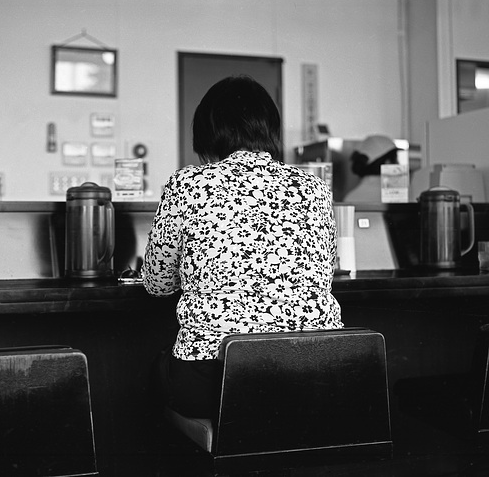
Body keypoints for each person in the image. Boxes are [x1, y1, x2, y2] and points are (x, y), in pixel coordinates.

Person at [143, 75, 343, 419]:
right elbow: (327, 269)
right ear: (270, 131)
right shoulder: (314, 188)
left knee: (155, 370)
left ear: (206, 132)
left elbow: (158, 284)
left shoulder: (189, 184)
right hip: (314, 372)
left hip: (218, 379)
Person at [343, 134, 398, 203]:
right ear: (387, 162)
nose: (398, 164)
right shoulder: (395, 196)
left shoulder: (350, 198)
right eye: (395, 159)